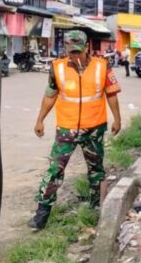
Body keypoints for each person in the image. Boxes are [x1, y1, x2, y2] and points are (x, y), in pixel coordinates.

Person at [29, 30, 122, 230]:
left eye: (78, 51)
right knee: (55, 170)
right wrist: (40, 120)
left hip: (94, 129)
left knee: (96, 170)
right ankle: (41, 215)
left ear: (87, 47)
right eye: (71, 51)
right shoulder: (57, 68)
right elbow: (50, 96)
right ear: (66, 49)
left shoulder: (102, 66)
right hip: (66, 129)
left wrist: (117, 119)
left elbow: (111, 94)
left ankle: (97, 207)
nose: (75, 55)